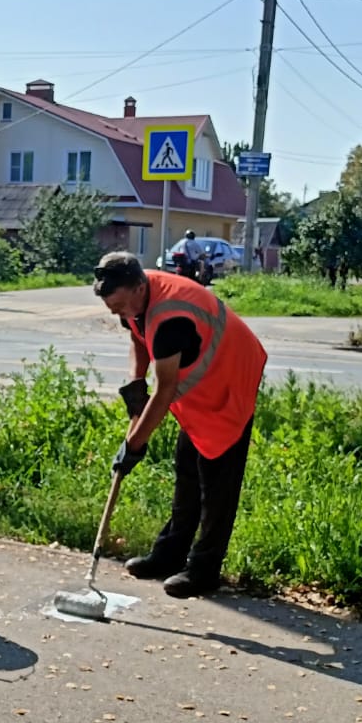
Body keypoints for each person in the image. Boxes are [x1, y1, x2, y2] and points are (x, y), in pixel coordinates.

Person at [93, 251, 267, 598]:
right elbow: (137, 335)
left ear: (140, 288)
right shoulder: (132, 298)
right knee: (187, 469)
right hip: (200, 387)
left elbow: (166, 391)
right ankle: (169, 555)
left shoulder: (171, 318)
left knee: (217, 482)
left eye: (121, 307)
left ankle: (204, 570)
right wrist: (134, 383)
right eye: (114, 310)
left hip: (230, 378)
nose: (120, 315)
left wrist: (134, 446)